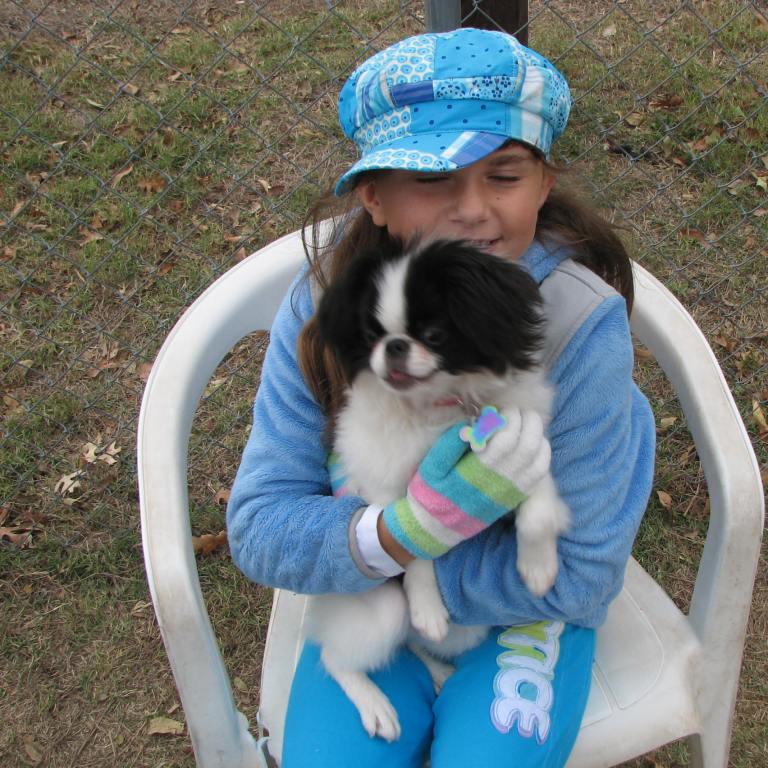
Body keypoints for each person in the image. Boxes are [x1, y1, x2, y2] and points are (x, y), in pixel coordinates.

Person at [227, 27, 655, 768]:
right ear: (375, 197)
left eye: (504, 174)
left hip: (525, 612)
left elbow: (580, 571)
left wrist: (426, 570)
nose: (473, 208)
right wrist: (398, 539)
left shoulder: (582, 323)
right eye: (433, 179)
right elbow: (261, 527)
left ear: (546, 184)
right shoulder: (325, 309)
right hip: (376, 599)